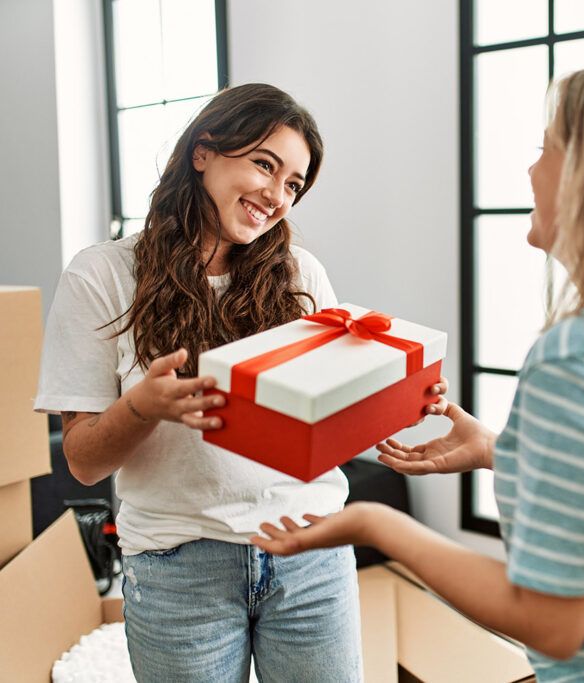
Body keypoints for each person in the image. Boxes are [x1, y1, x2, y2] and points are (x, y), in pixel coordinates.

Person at [253, 61, 584, 681]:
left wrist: (378, 525)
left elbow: (552, 623)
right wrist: (501, 451)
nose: (532, 169)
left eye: (547, 147)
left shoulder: (581, 355)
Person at [35, 83, 446, 682]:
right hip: (179, 569)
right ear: (203, 152)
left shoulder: (301, 274)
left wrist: (393, 402)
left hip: (312, 552)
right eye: (264, 164)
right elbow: (83, 463)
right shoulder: (102, 275)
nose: (276, 196)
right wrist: (142, 407)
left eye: (293, 184)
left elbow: (324, 424)